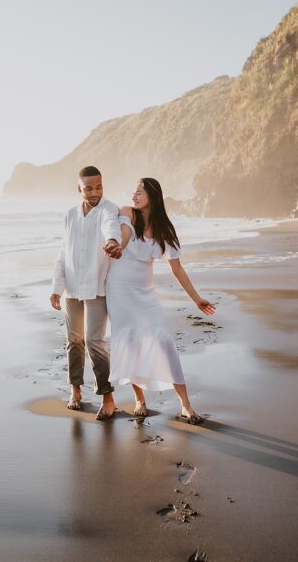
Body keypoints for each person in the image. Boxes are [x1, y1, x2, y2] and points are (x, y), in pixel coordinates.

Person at [106, 177, 216, 424]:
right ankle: (139, 400)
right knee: (130, 341)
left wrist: (196, 299)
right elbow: (123, 234)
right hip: (119, 291)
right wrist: (120, 247)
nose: (134, 196)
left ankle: (185, 405)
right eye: (133, 192)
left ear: (152, 195)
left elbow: (178, 269)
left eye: (139, 193)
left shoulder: (164, 229)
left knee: (164, 341)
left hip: (146, 293)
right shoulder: (128, 214)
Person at [50, 166, 123, 420]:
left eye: (99, 186)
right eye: (89, 187)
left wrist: (113, 242)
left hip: (96, 287)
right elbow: (63, 252)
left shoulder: (108, 209)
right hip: (71, 288)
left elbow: (111, 228)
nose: (95, 192)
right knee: (74, 341)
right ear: (79, 188)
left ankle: (107, 397)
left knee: (94, 342)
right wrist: (56, 288)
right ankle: (75, 390)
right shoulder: (69, 215)